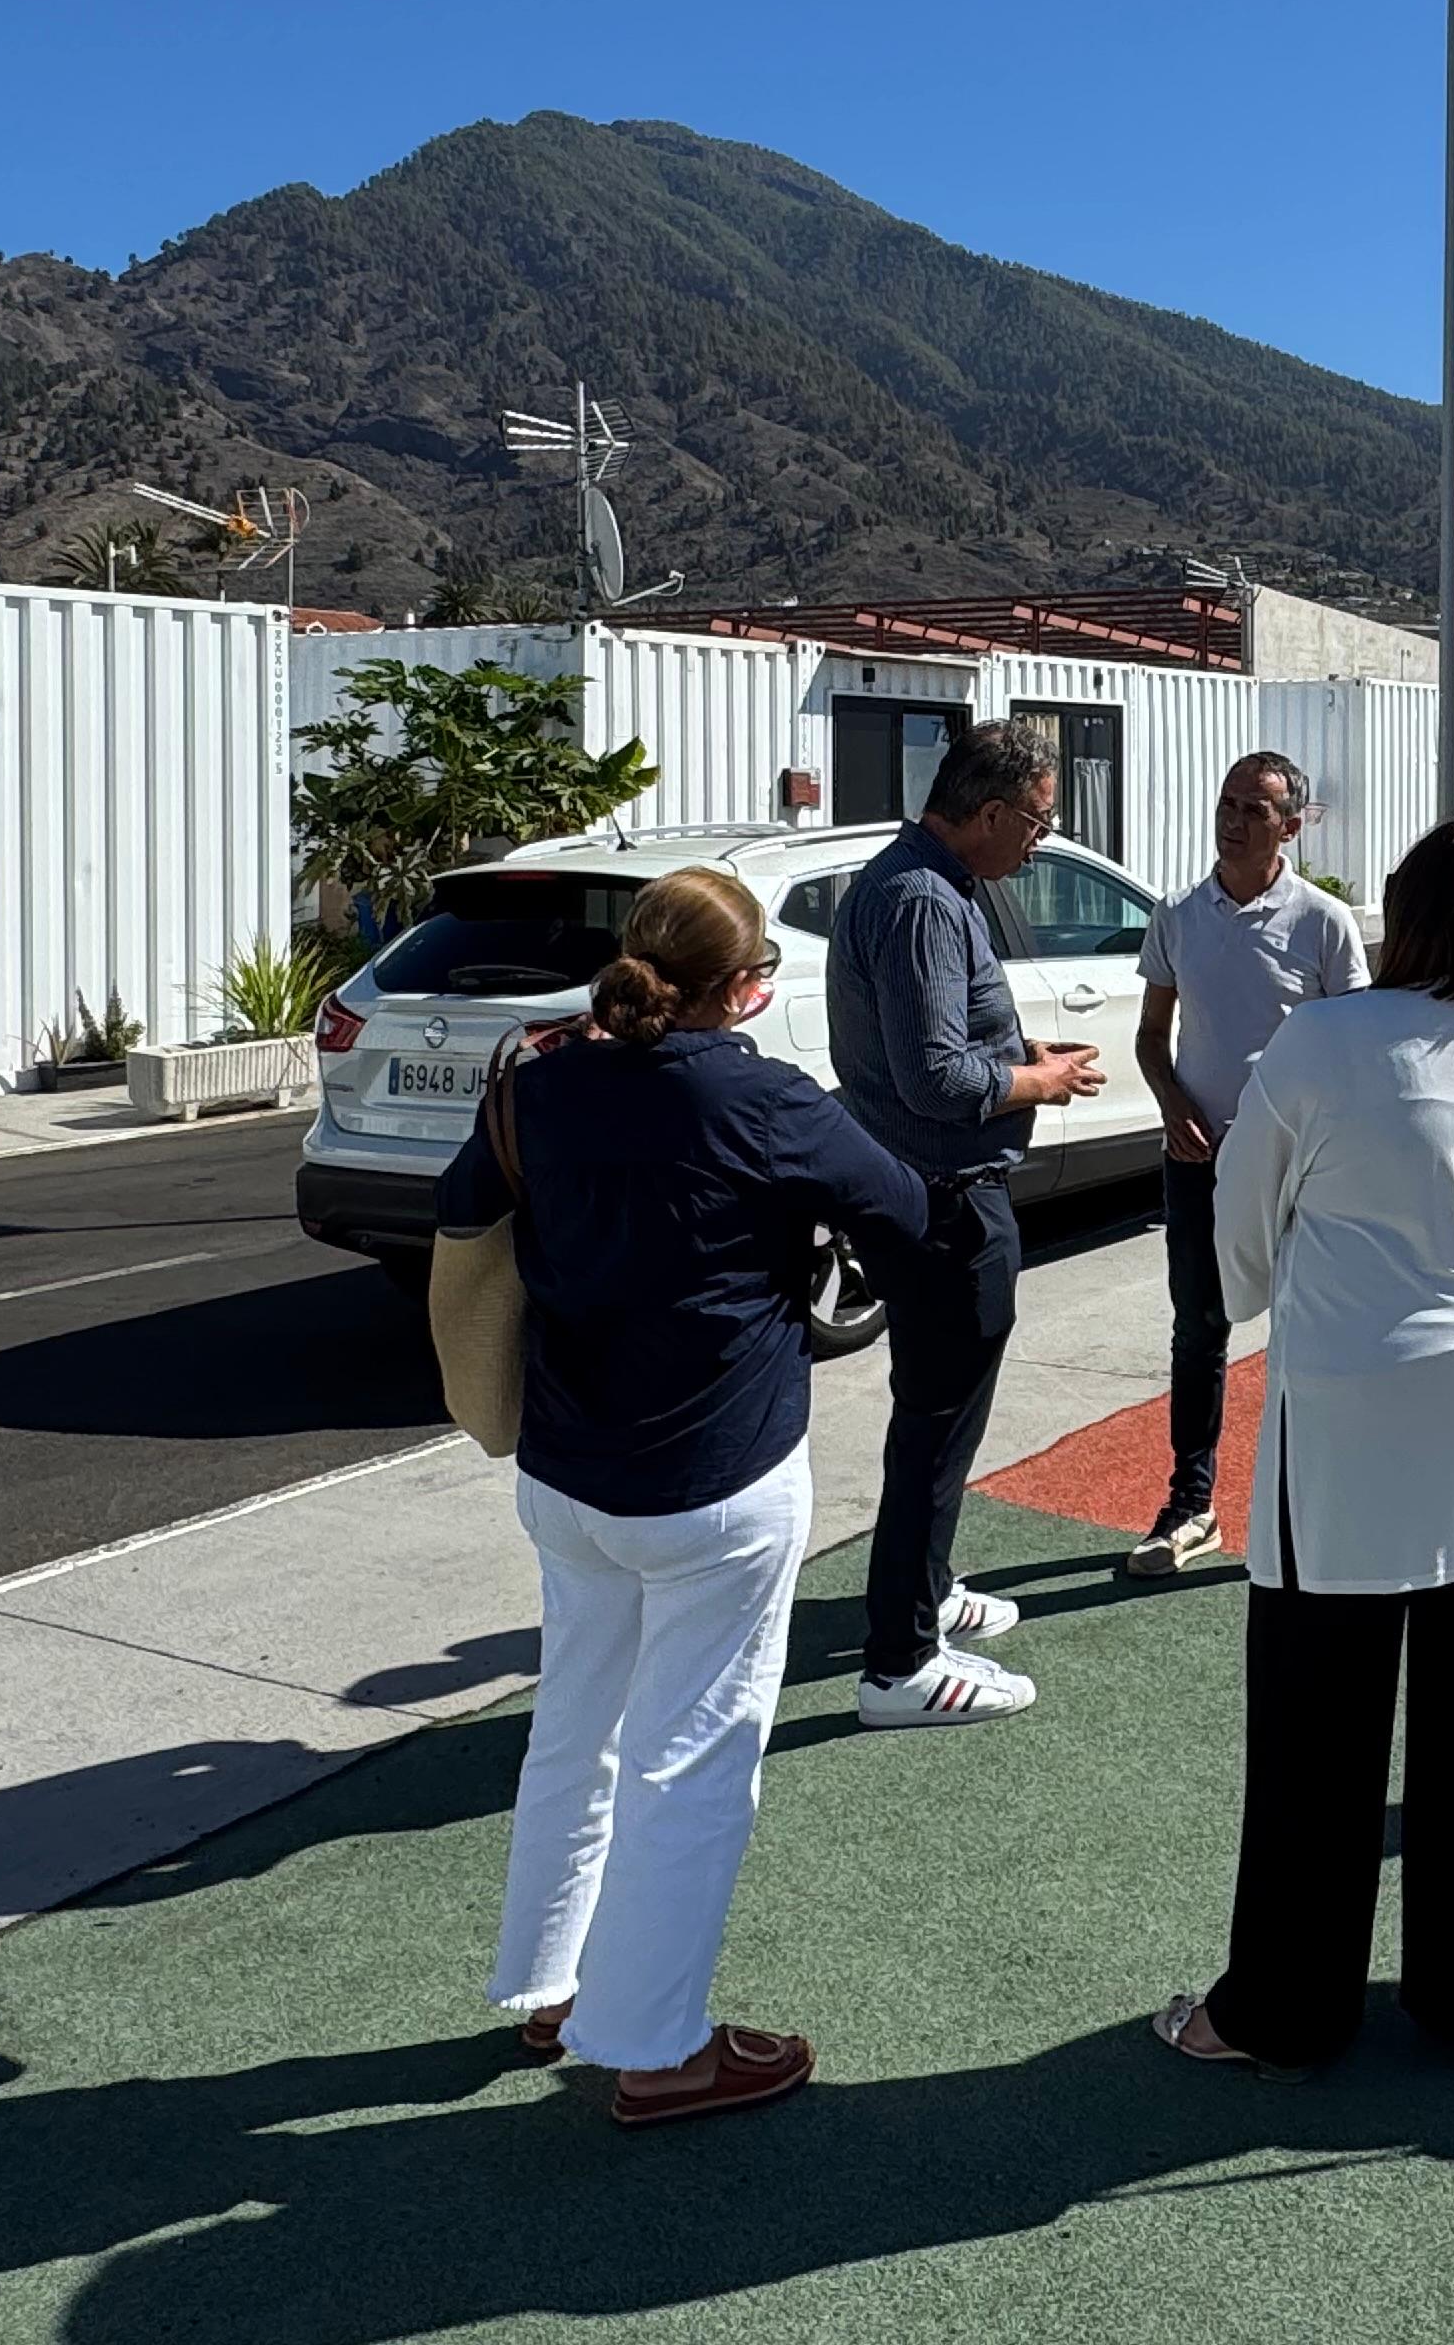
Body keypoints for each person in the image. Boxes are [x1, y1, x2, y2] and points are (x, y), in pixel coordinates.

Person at [442, 866, 931, 2123]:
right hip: (717, 1478)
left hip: (565, 1472)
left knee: (579, 1728)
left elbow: (460, 1211)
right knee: (693, 1761)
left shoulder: (536, 1086)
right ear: (751, 985)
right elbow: (902, 1208)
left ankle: (554, 1987)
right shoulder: (764, 1097)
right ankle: (660, 2050)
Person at [1154, 815, 1454, 2074]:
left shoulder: (1323, 1039)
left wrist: (1279, 1294)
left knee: (1321, 1720)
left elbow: (1241, 1223)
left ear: (1403, 916)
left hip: (1365, 1405)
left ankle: (1284, 2007)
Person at [829, 720, 1107, 1727]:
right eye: (1037, 821)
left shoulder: (930, 887)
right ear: (988, 814)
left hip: (942, 1192)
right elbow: (936, 1079)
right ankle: (900, 1663)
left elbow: (944, 1035)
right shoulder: (918, 900)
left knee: (943, 1422)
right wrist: (1038, 1078)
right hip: (943, 1201)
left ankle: (928, 1591)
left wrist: (1018, 1044)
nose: (1040, 841)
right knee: (936, 1431)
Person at [1123, 750, 1369, 1577]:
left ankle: (1310, 1502)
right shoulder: (1179, 916)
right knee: (1199, 1332)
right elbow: (1152, 1039)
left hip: (1301, 1172)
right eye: (1227, 802)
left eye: (1254, 809)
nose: (1233, 819)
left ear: (1291, 826)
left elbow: (1355, 1047)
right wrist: (1172, 1102)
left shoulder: (1322, 925)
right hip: (1197, 1165)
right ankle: (1190, 1506)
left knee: (1308, 1330)